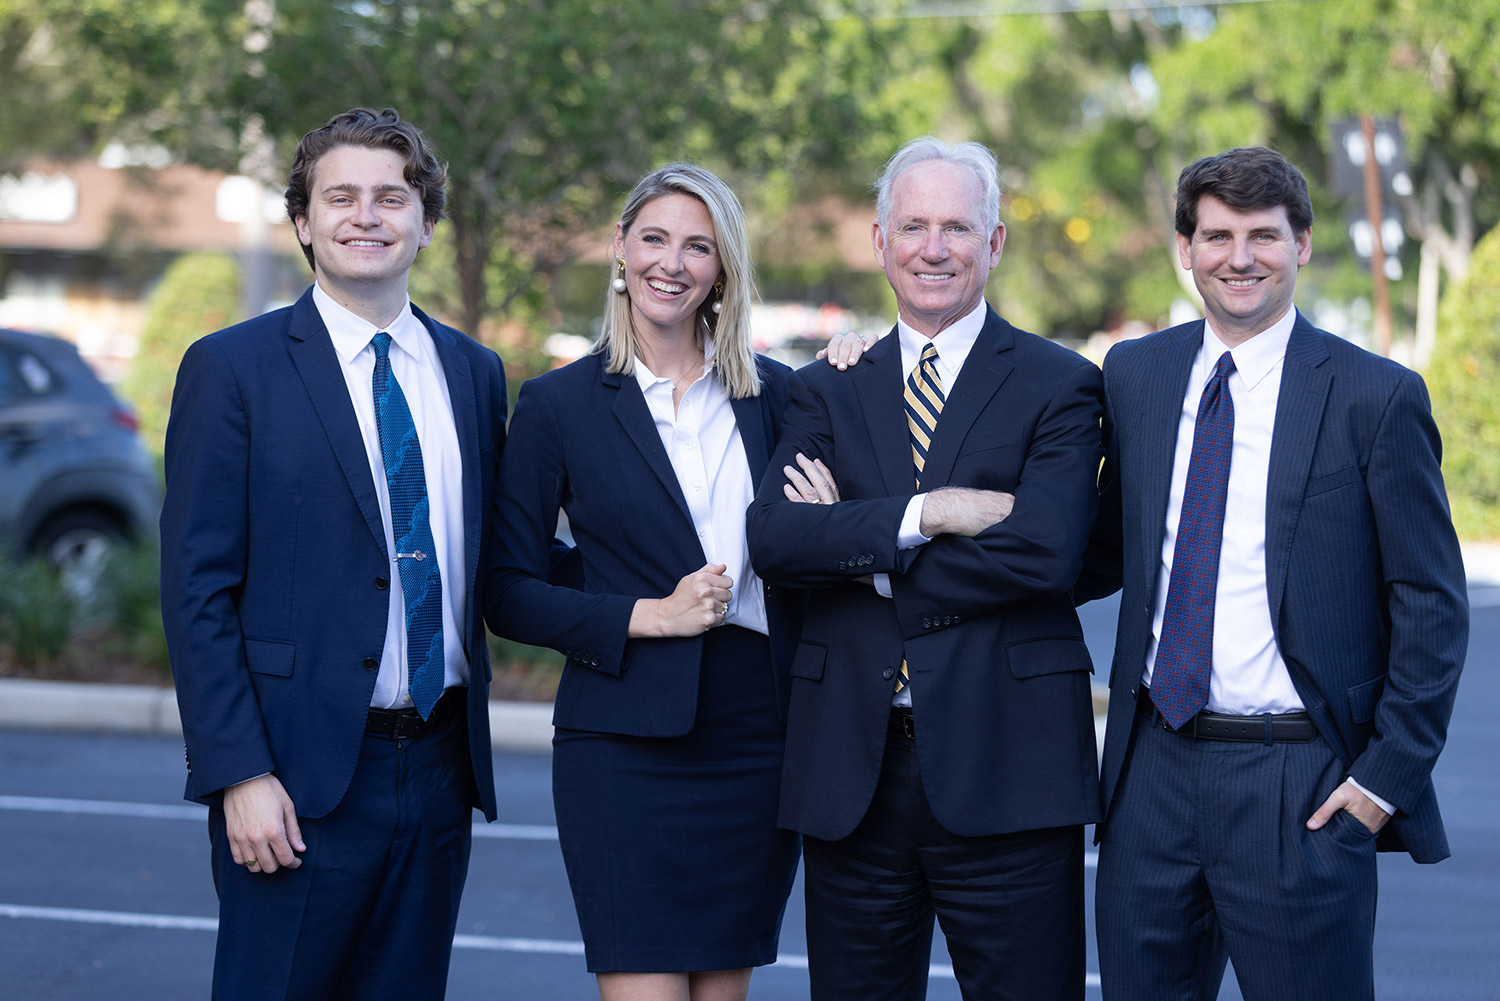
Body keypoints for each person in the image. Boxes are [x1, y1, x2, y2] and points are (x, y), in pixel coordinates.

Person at [1081, 146, 1468, 1000]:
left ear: (1301, 242)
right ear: (1186, 248)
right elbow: (1093, 548)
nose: (1239, 257)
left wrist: (1381, 780)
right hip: (1150, 774)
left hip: (1298, 780)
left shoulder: (1376, 395)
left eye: (1263, 235)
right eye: (1216, 236)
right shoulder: (1136, 377)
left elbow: (1431, 606)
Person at [160, 108, 508, 999]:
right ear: (305, 221)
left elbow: (503, 554)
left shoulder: (472, 372)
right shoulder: (232, 368)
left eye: (392, 197)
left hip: (437, 772)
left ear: (426, 222)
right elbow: (197, 587)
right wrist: (238, 771)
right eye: (341, 196)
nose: (367, 215)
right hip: (296, 777)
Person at [747, 136, 1105, 1001]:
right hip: (853, 774)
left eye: (957, 226)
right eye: (913, 225)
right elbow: (778, 543)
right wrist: (927, 515)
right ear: (878, 241)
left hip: (1010, 761)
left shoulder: (1060, 383)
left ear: (996, 243)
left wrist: (857, 548)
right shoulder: (824, 388)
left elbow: (1046, 553)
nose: (933, 247)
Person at [486, 163, 803, 1001]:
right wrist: (646, 616)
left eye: (699, 246)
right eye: (655, 238)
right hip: (623, 741)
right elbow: (506, 584)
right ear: (620, 249)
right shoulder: (558, 404)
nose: (673, 261)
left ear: (723, 269)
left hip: (757, 736)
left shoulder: (780, 397)